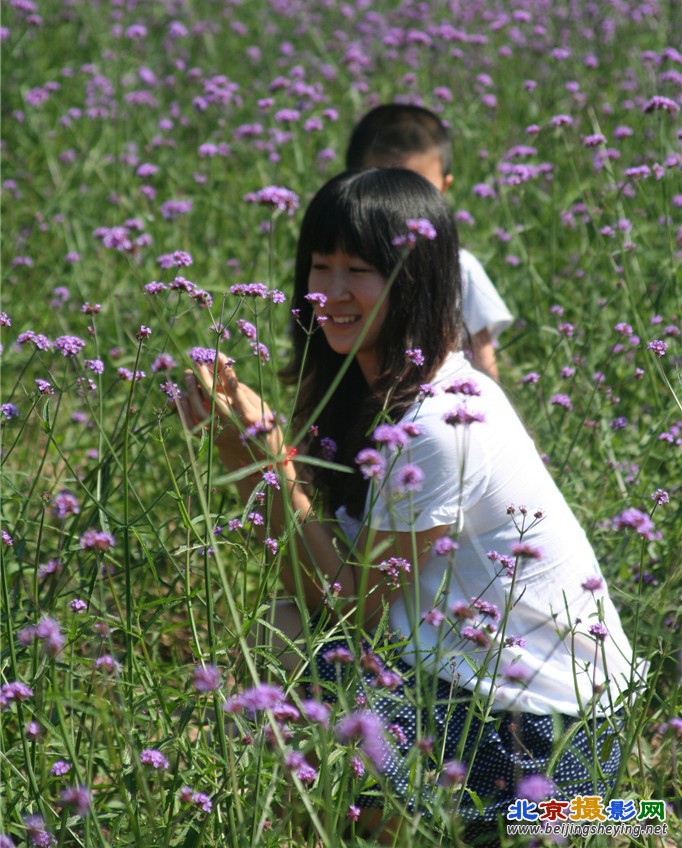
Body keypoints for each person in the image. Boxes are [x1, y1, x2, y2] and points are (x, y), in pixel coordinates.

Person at [180, 170, 637, 844]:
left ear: (413, 279)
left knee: (301, 661)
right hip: (476, 692)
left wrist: (258, 461)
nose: (331, 293)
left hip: (545, 742)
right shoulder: (377, 389)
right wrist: (254, 455)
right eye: (319, 266)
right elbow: (320, 571)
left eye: (358, 271)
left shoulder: (436, 423)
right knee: (287, 632)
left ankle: (580, 823)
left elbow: (344, 600)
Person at [345, 103, 513, 381]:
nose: (399, 207)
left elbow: (483, 362)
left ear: (444, 189)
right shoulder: (338, 270)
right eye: (382, 190)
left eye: (416, 190)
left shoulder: (460, 269)